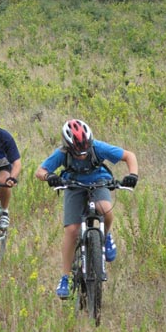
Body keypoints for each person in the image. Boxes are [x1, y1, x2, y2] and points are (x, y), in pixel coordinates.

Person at [35, 119, 138, 299]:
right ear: (68, 147)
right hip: (73, 185)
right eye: (77, 152)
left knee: (105, 208)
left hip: (99, 182)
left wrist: (132, 175)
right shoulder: (61, 153)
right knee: (72, 230)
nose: (82, 155)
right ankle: (65, 278)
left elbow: (129, 156)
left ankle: (105, 237)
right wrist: (49, 176)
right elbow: (40, 171)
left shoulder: (98, 147)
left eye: (85, 150)